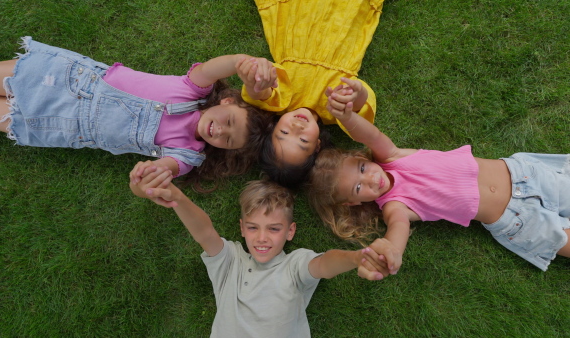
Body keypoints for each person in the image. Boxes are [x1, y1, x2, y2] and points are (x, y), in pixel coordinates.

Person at [308, 77, 570, 275]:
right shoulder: (395, 206)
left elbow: (369, 135)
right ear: (354, 203)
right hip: (516, 220)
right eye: (357, 188)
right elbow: (398, 229)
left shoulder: (392, 157)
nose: (369, 179)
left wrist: (347, 116)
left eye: (362, 169)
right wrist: (392, 250)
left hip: (523, 175)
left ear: (364, 159)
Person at [0, 36, 274, 189]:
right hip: (66, 81)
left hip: (58, 124)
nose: (220, 131)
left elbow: (166, 168)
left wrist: (153, 175)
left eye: (228, 140)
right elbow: (217, 67)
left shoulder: (188, 154)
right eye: (230, 122)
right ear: (228, 103)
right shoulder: (193, 91)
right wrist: (244, 63)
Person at [140, 177, 386, 337]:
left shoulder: (295, 264)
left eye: (274, 229)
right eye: (253, 227)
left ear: (290, 232)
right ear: (242, 228)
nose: (262, 238)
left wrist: (355, 258)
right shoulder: (229, 261)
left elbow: (324, 265)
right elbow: (204, 232)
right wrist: (177, 198)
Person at [237, 0, 385, 188]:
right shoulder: (335, 110)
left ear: (272, 128)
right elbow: (361, 112)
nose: (296, 127)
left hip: (298, 14)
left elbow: (259, 94)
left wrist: (254, 80)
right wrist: (356, 96)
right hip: (343, 23)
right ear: (317, 145)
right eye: (303, 140)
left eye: (283, 132)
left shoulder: (283, 100)